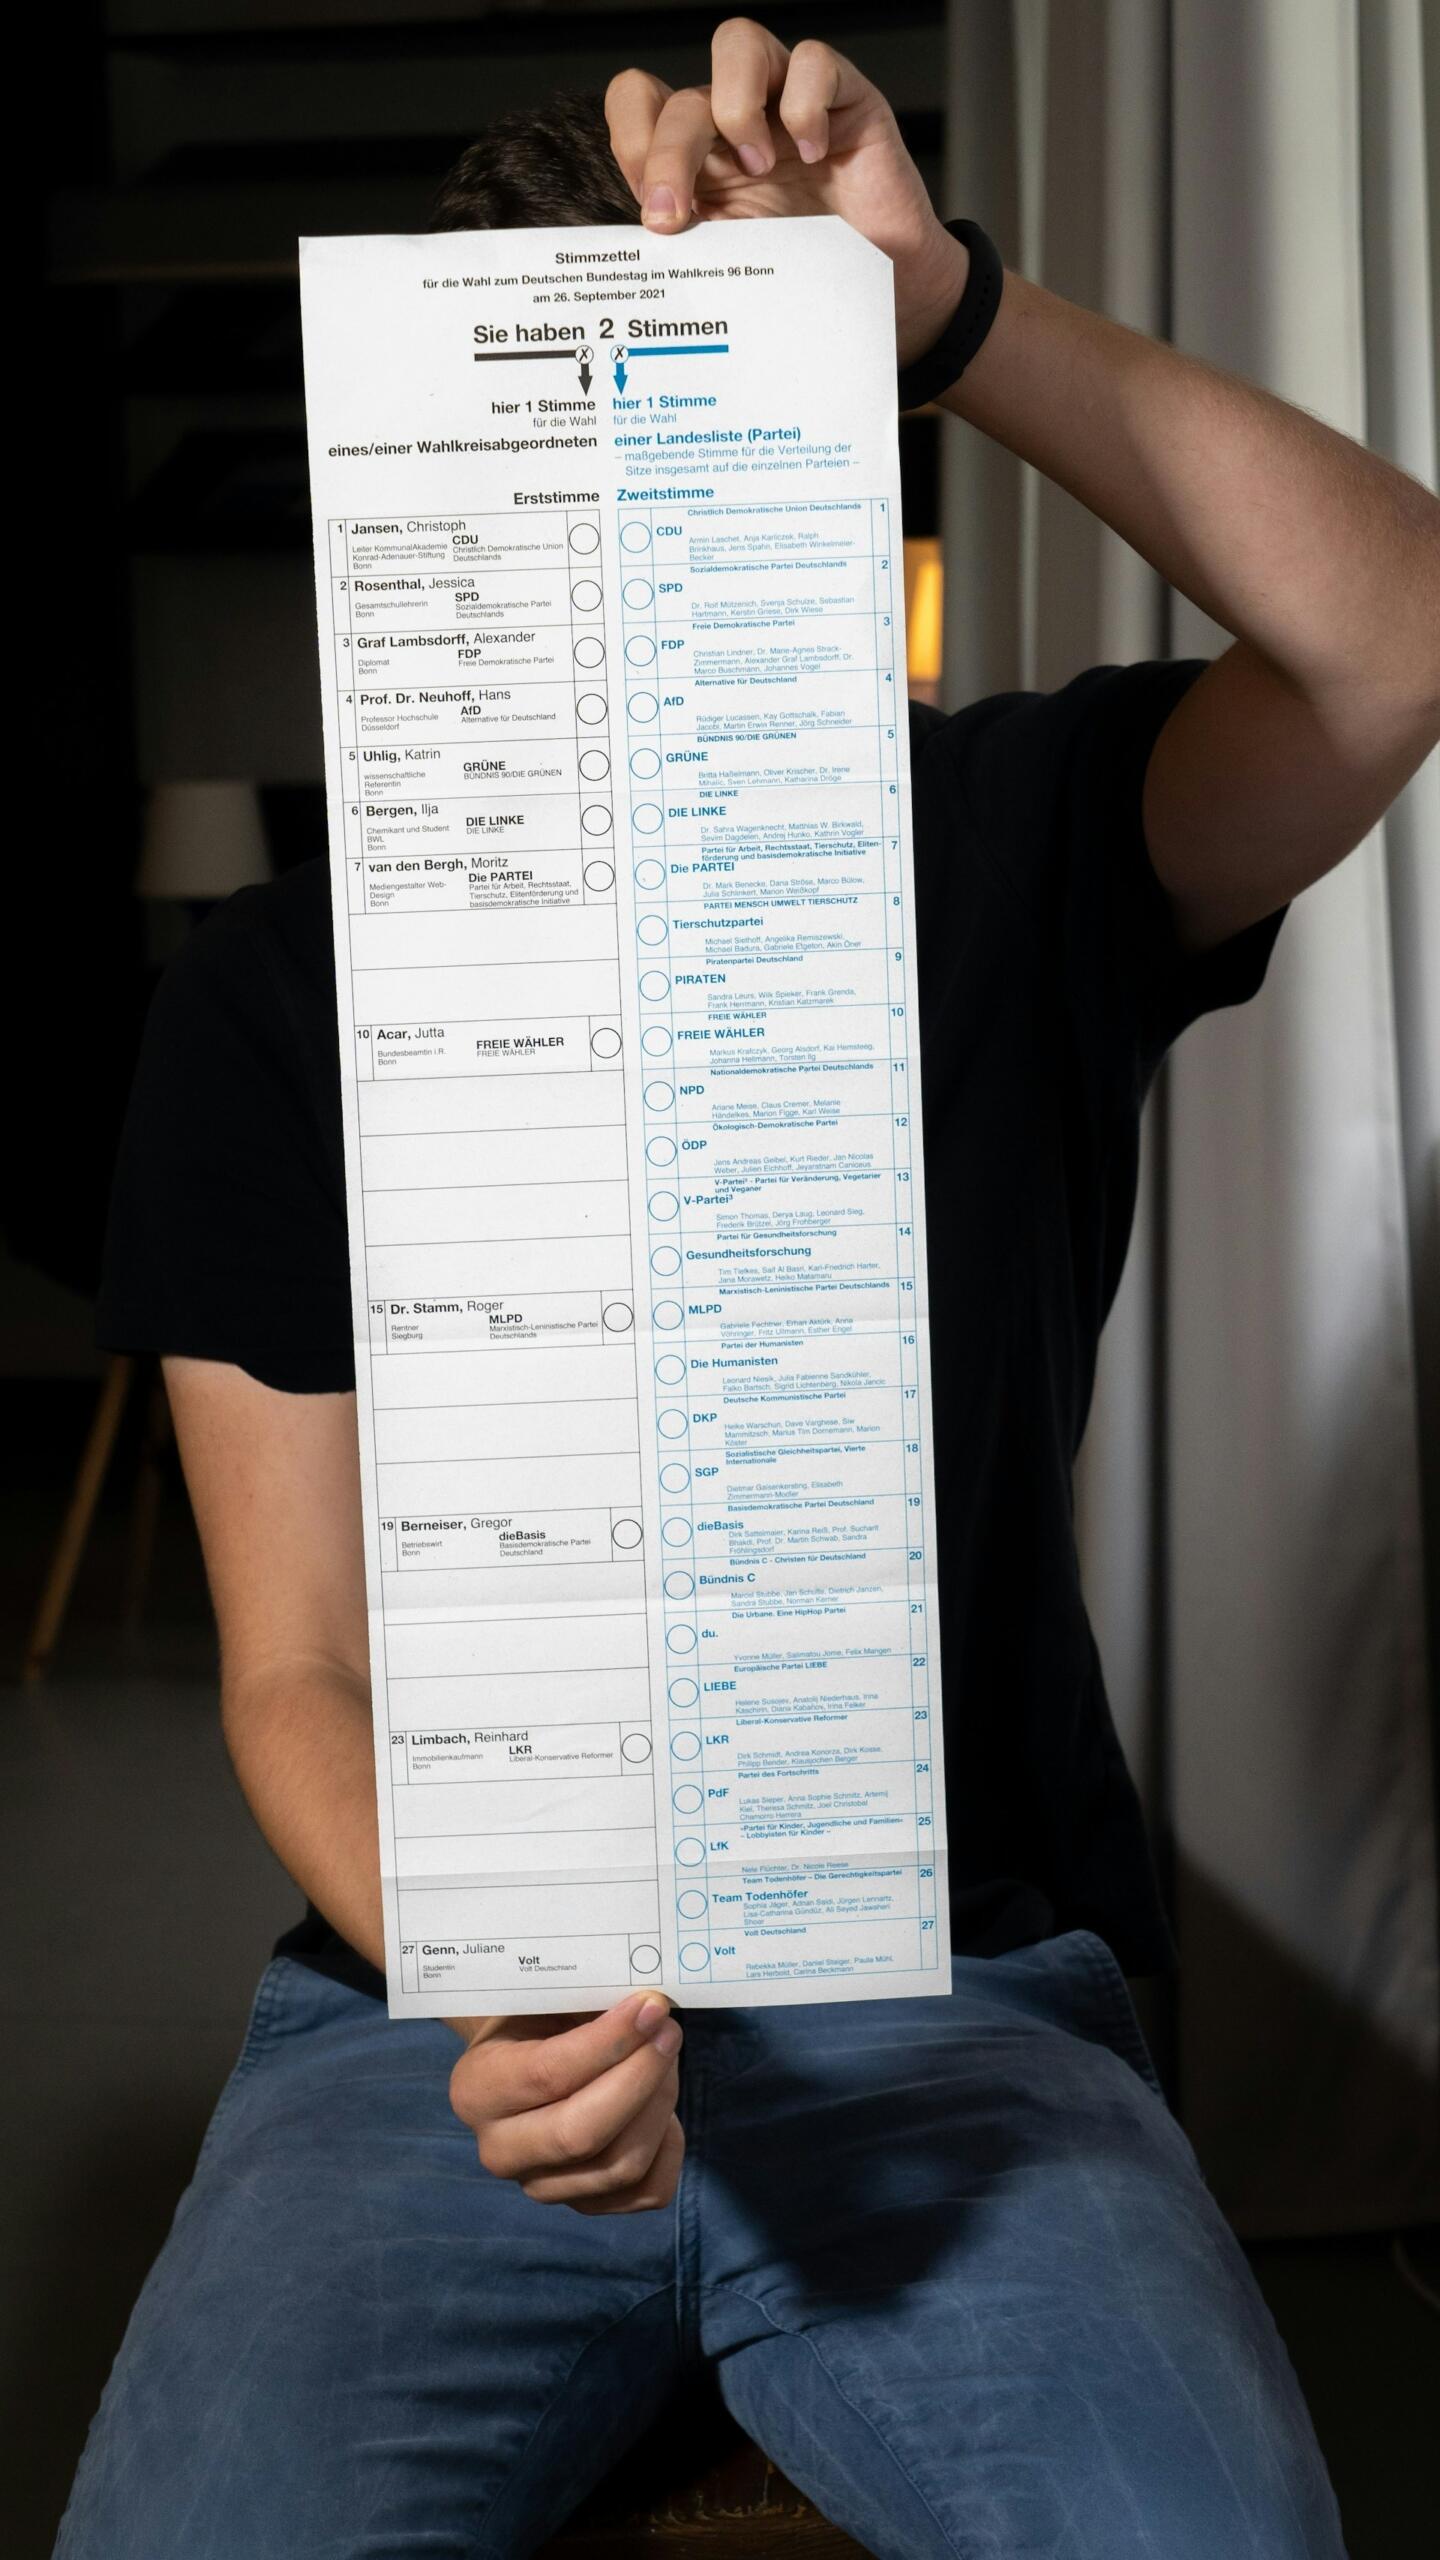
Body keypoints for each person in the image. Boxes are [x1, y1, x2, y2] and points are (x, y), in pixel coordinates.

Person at [59, 22, 1439, 2559]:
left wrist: (948, 310)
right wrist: (496, 1988)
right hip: (433, 2024)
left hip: (962, 2005)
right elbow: (298, 1665)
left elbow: (1397, 637)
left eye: (698, 442)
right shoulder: (271, 999)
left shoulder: (1001, 845)